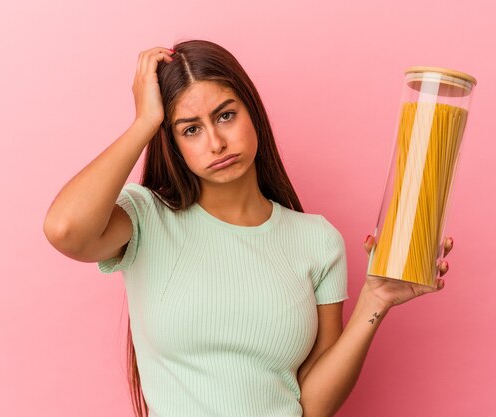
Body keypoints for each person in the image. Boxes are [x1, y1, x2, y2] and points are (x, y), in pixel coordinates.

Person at [43, 39, 454, 417]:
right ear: (172, 141)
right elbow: (66, 230)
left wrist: (375, 300)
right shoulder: (147, 217)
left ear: (251, 111)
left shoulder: (316, 239)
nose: (216, 143)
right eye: (191, 129)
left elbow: (312, 406)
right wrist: (144, 123)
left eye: (225, 115)